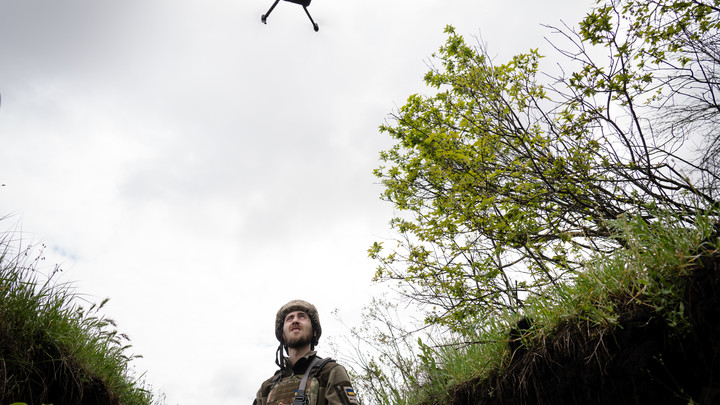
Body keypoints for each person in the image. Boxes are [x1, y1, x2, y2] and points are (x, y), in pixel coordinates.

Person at [253, 300, 358, 405]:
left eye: (302, 316)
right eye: (289, 318)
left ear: (314, 331)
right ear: (283, 335)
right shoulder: (266, 387)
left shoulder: (330, 372)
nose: (295, 320)